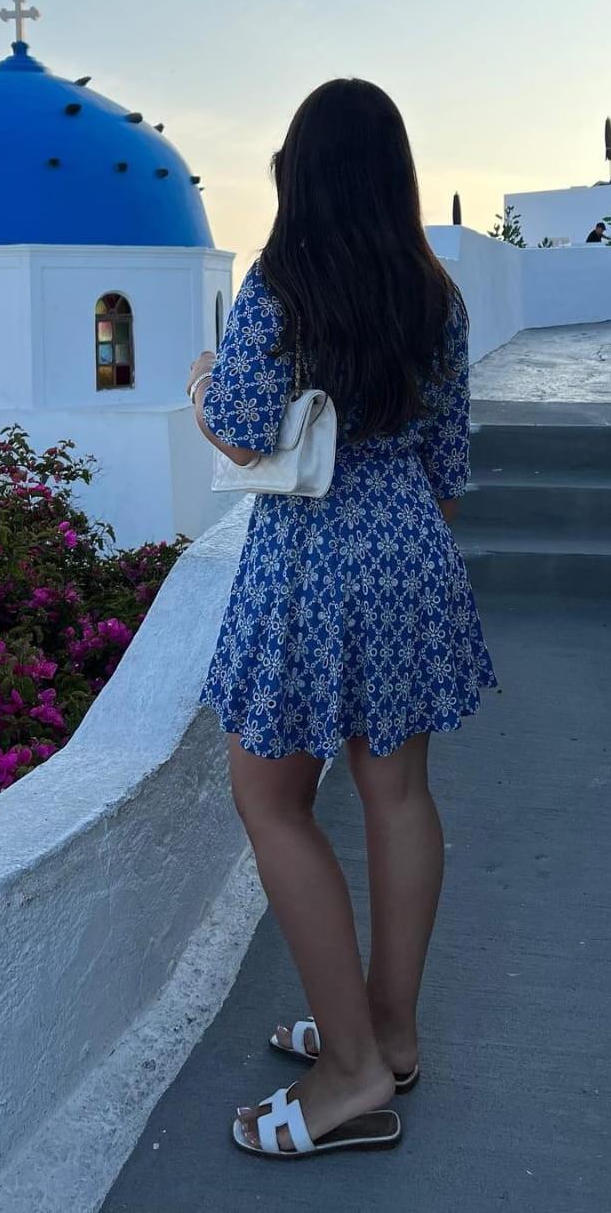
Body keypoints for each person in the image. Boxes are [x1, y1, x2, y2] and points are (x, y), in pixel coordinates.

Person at [185, 77, 497, 1160]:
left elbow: (236, 426)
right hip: (412, 551)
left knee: (269, 798)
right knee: (398, 793)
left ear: (299, 172)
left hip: (313, 560)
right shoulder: (436, 294)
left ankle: (351, 1075)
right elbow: (448, 464)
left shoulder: (281, 284)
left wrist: (195, 388)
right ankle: (389, 1032)